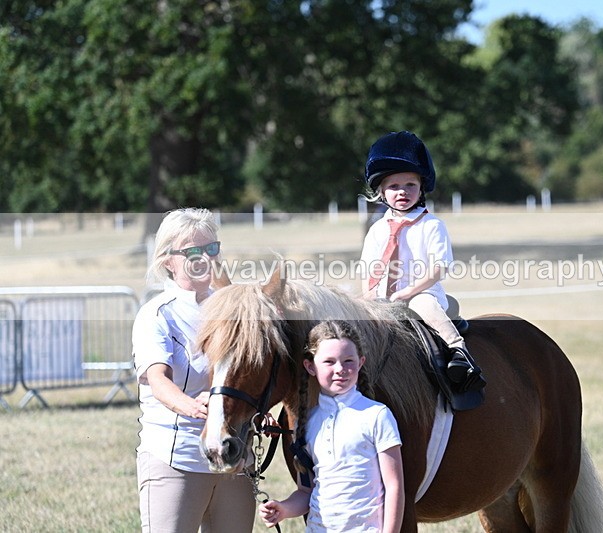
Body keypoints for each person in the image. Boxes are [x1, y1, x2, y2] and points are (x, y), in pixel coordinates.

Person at [133, 207, 256, 533]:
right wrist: (193, 406)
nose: (203, 258)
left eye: (211, 248)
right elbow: (158, 379)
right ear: (167, 261)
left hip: (234, 459)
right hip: (177, 458)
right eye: (191, 251)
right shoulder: (157, 314)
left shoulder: (234, 307)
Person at [359, 130, 485, 393]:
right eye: (394, 186)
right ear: (381, 191)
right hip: (384, 298)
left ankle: (457, 349)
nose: (402, 192)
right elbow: (368, 270)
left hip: (422, 292)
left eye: (410, 185)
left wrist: (409, 291)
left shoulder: (431, 225)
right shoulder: (377, 230)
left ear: (421, 188)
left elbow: (439, 268)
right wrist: (368, 298)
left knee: (423, 304)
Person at [259, 320, 405, 532]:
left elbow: (394, 487)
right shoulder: (306, 422)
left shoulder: (377, 415)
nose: (340, 369)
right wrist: (283, 509)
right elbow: (306, 492)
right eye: (329, 361)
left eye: (348, 361)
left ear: (361, 362)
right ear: (310, 366)